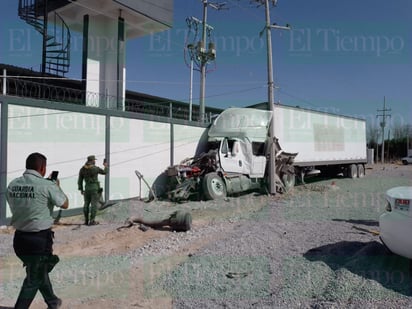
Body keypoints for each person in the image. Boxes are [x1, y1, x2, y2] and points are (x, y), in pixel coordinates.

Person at [7, 152, 69, 309]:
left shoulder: (13, 184)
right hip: (39, 241)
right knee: (33, 279)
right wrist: (57, 187)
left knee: (37, 271)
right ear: (42, 168)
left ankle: (52, 301)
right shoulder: (47, 185)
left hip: (19, 240)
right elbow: (65, 203)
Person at [77, 155, 108, 225]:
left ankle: (86, 220)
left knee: (86, 204)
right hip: (94, 188)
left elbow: (80, 180)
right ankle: (92, 220)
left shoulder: (82, 169)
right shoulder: (95, 168)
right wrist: (105, 166)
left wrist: (81, 189)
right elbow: (105, 172)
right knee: (94, 205)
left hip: (87, 188)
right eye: (94, 160)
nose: (95, 161)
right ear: (92, 161)